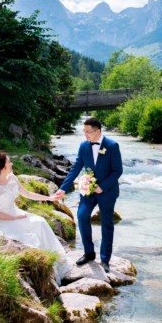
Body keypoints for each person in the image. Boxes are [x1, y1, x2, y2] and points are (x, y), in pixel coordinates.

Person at [0, 153, 72, 281]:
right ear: (3, 167)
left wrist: (50, 198)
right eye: (9, 162)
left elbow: (27, 193)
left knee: (40, 222)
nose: (12, 164)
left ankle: (55, 260)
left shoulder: (12, 178)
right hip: (1, 219)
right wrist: (14, 218)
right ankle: (43, 266)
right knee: (26, 237)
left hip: (16, 213)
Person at [54, 117, 123, 273]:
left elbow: (118, 171)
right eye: (84, 131)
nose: (85, 135)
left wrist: (102, 186)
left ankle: (105, 259)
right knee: (82, 216)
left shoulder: (112, 146)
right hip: (88, 190)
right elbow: (76, 167)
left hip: (107, 192)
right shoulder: (84, 146)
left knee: (106, 224)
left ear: (98, 131)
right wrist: (63, 188)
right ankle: (89, 253)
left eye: (88, 132)